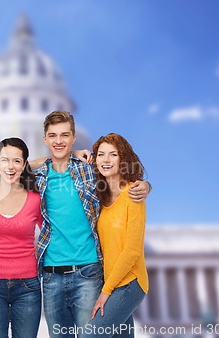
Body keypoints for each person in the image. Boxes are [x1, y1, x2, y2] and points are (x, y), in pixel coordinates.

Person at [35, 111, 150, 338]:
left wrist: (146, 185)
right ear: (44, 139)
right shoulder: (38, 176)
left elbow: (121, 174)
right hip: (51, 276)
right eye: (53, 136)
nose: (59, 141)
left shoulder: (88, 172)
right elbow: (6, 169)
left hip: (90, 274)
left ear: (74, 137)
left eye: (65, 136)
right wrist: (64, 155)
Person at [0, 137, 43, 338]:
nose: (10, 166)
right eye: (5, 160)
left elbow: (53, 233)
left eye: (17, 161)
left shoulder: (35, 199)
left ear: (24, 165)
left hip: (28, 287)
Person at [90, 133, 148, 338]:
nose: (105, 160)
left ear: (123, 159)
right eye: (101, 155)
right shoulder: (101, 197)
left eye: (113, 155)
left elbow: (131, 251)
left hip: (129, 282)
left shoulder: (133, 194)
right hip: (111, 281)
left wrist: (106, 291)